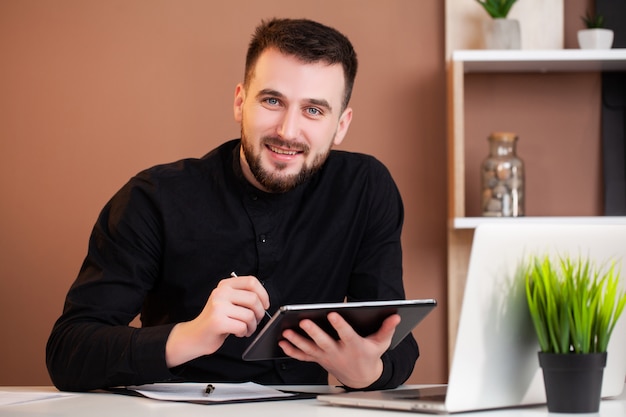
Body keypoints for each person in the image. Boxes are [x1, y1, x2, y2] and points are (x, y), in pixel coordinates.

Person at [46, 17, 419, 392]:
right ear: (240, 102)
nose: (288, 131)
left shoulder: (366, 188)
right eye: (272, 101)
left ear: (341, 125)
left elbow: (393, 338)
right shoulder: (153, 197)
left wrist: (365, 372)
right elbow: (68, 353)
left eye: (313, 110)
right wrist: (192, 335)